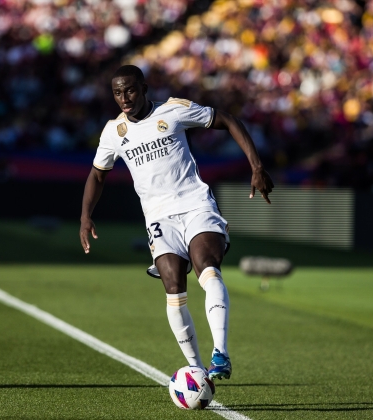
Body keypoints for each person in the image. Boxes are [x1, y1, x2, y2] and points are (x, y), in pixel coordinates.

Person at [79, 65, 274, 380]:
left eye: (129, 90)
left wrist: (256, 165)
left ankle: (220, 354)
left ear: (143, 88)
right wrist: (86, 215)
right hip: (158, 218)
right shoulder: (113, 132)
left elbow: (226, 119)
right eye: (117, 92)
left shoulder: (174, 110)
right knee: (173, 284)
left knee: (206, 266)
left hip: (195, 204)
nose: (123, 98)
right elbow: (97, 175)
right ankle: (196, 369)